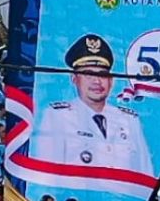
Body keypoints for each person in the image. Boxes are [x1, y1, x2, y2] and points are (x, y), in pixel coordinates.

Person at [30, 34, 152, 179]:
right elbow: (46, 174)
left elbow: (145, 175)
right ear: (74, 78)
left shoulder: (129, 120)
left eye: (102, 75)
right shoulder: (57, 117)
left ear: (111, 81)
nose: (97, 81)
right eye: (88, 74)